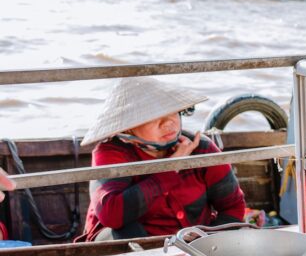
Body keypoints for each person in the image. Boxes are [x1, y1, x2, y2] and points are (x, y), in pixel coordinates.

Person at [80, 77, 246, 241]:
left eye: (172, 112)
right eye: (153, 117)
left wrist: (208, 242)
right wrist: (172, 167)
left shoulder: (200, 148)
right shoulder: (111, 153)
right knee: (126, 233)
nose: (168, 123)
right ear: (129, 128)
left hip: (193, 246)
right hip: (130, 246)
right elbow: (111, 215)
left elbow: (233, 207)